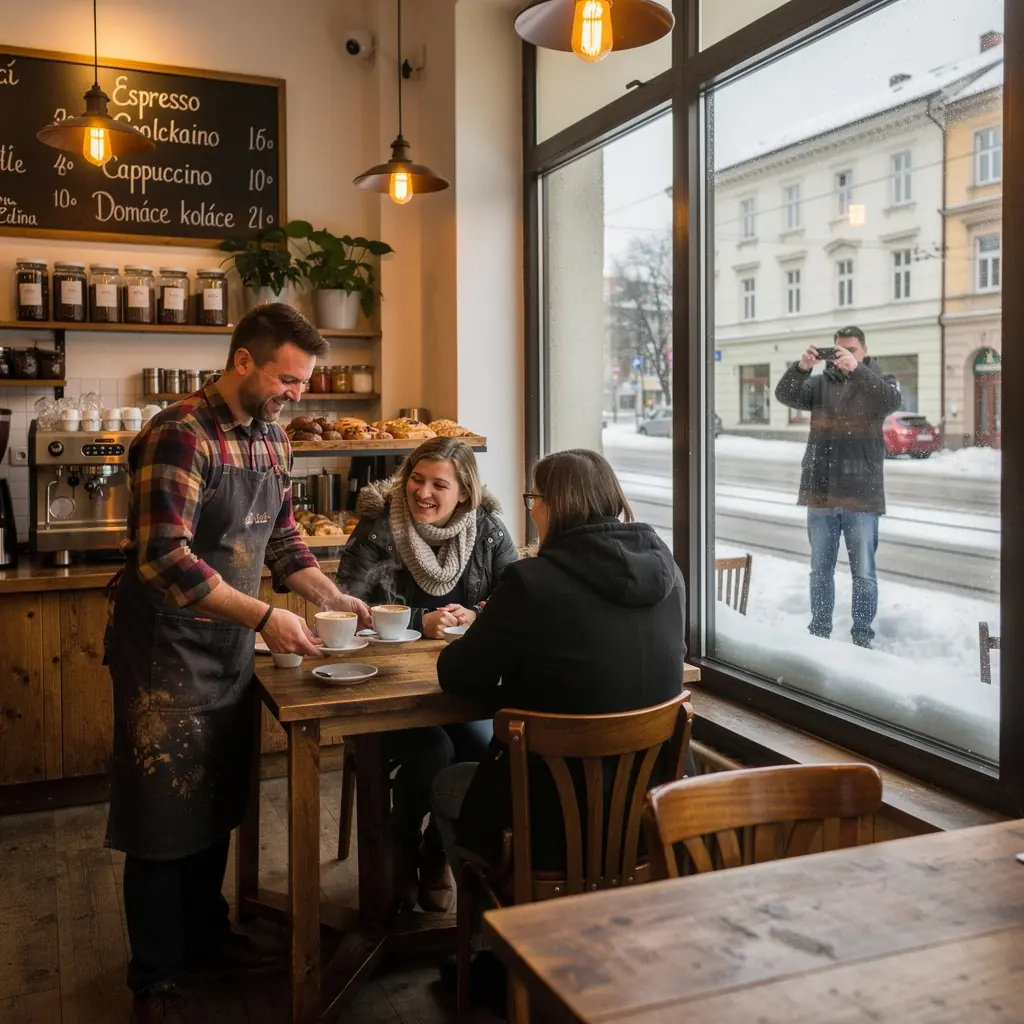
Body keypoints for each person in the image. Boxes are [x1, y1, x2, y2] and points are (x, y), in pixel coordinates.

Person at [106, 304, 369, 1024]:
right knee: (162, 811)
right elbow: (164, 558)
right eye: (288, 379)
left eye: (305, 383)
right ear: (244, 362)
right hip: (164, 649)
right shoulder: (180, 434)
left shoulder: (271, 439)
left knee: (218, 795)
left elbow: (283, 539)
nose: (297, 394)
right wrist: (263, 616)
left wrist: (328, 593)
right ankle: (154, 977)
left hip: (226, 647)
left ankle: (207, 936)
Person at [427, 449, 686, 996]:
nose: (532, 512)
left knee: (448, 783)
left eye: (534, 500)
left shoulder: (530, 583)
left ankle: (497, 959)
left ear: (555, 506)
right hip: (649, 818)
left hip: (545, 828)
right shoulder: (665, 566)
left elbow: (457, 674)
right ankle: (594, 942)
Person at [336, 436, 517, 912]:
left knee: (483, 745)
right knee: (433, 749)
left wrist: (477, 614)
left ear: (465, 494)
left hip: (458, 687)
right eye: (417, 479)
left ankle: (436, 851)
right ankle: (399, 849)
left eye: (440, 484)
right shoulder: (378, 528)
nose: (423, 493)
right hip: (384, 690)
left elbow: (514, 598)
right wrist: (419, 621)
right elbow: (347, 604)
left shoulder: (490, 531)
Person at [774, 325, 901, 649]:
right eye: (838, 351)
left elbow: (891, 400)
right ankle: (819, 633)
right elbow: (785, 394)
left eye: (852, 350)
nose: (844, 356)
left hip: (862, 494)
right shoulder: (819, 385)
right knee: (820, 571)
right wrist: (802, 367)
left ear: (864, 351)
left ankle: (862, 638)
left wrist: (857, 370)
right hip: (821, 490)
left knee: (864, 574)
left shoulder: (878, 383)